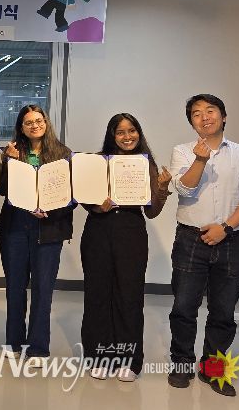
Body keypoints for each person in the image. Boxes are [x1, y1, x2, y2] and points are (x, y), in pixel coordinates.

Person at [166, 94, 239, 397]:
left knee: (223, 312)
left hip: (231, 240)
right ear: (191, 122)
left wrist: (224, 228)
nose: (204, 117)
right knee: (183, 308)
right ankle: (182, 364)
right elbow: (184, 189)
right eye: (196, 113)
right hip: (190, 240)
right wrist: (200, 160)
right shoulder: (182, 151)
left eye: (210, 110)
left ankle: (213, 371)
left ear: (223, 116)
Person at [80, 113, 172, 382]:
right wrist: (97, 206)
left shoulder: (146, 164)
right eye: (120, 132)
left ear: (138, 133)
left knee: (129, 296)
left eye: (132, 130)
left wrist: (162, 188)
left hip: (131, 233)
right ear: (112, 135)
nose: (127, 136)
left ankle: (129, 360)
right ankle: (98, 357)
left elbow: (152, 212)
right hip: (98, 231)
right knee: (97, 294)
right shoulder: (98, 161)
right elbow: (85, 197)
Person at [0, 104, 73, 367]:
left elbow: (72, 196)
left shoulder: (63, 154)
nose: (34, 126)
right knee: (14, 288)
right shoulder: (12, 152)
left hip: (48, 230)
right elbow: (1, 189)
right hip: (15, 228)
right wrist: (7, 162)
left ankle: (38, 347)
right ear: (21, 127)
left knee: (43, 290)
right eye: (28, 122)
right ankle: (13, 341)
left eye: (38, 121)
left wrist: (50, 211)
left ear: (46, 123)